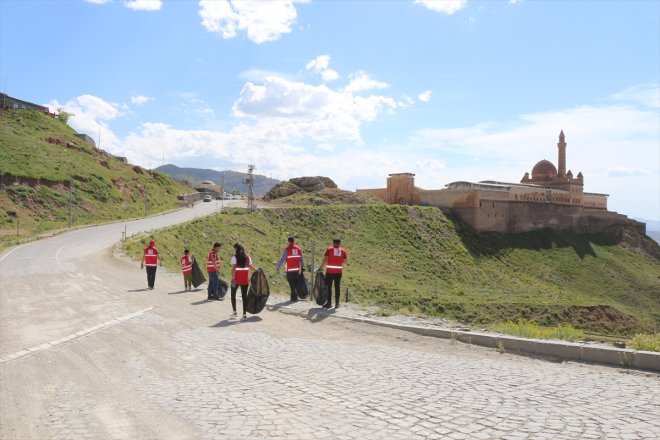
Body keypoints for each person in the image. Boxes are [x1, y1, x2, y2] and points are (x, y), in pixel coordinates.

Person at [319, 238, 347, 309]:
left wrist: (321, 267)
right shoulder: (343, 251)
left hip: (330, 272)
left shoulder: (329, 249)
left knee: (329, 288)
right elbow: (345, 261)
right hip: (338, 272)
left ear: (333, 243)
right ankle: (337, 304)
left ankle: (329, 303)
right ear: (339, 243)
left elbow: (325, 259)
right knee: (337, 287)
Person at [231, 243, 257, 320]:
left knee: (233, 294)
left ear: (236, 249)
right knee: (244, 296)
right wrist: (257, 270)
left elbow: (233, 269)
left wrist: (233, 278)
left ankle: (235, 312)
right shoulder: (248, 257)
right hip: (245, 279)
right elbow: (251, 267)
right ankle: (244, 314)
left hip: (236, 278)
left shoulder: (234, 257)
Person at [276, 236, 305, 302]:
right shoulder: (299, 249)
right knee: (295, 282)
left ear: (289, 242)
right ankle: (294, 296)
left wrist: (278, 266)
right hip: (296, 269)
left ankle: (293, 297)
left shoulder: (287, 249)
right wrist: (303, 266)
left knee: (291, 283)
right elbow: (301, 259)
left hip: (289, 270)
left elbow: (283, 259)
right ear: (294, 242)